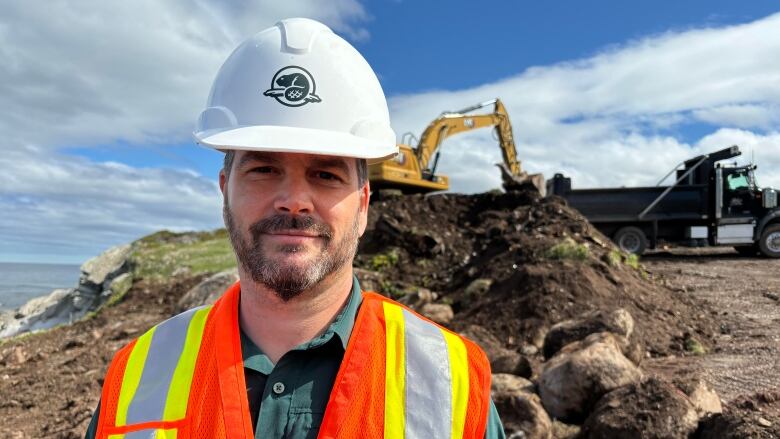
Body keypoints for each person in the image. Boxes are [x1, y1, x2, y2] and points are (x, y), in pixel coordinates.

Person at [86, 18, 505, 438]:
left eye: (326, 174)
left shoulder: (453, 386)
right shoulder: (136, 379)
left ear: (363, 204)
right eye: (265, 168)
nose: (294, 199)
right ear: (224, 190)